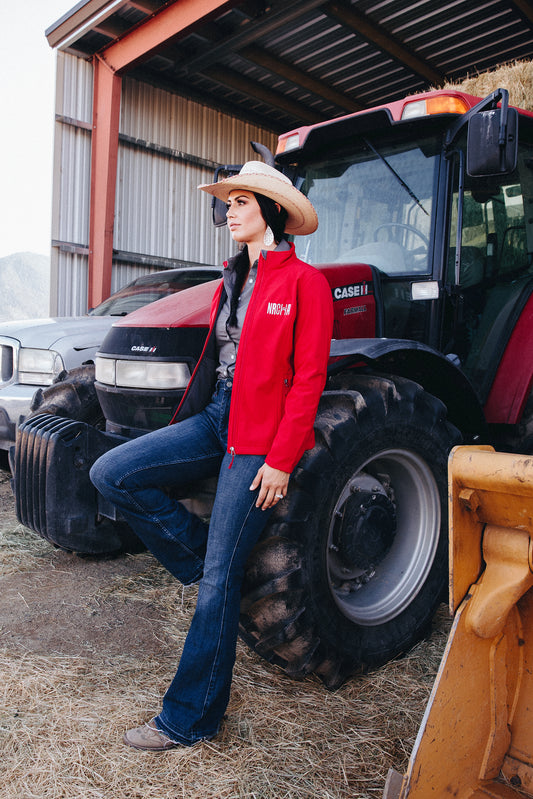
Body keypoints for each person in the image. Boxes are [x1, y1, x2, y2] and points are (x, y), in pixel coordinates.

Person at [90, 161, 334, 751]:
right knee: (112, 472)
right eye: (226, 202)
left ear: (272, 210)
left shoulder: (305, 283)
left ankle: (190, 718)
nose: (228, 210)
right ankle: (203, 554)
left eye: (241, 201)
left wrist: (280, 459)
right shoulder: (234, 278)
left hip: (259, 438)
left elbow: (308, 383)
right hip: (215, 419)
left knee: (217, 587)